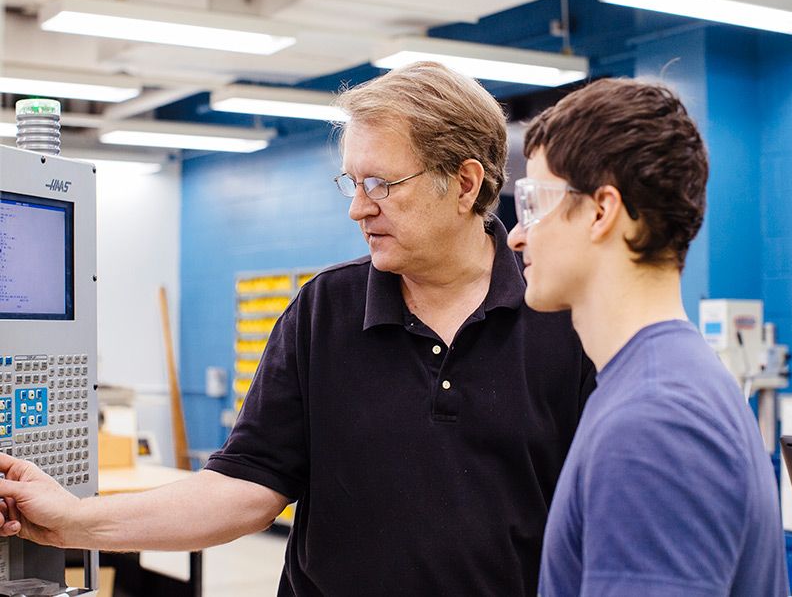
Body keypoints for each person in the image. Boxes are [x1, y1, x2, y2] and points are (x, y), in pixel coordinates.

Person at [0, 62, 595, 595]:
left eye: (381, 185)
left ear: (465, 183)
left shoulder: (563, 317)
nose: (358, 208)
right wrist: (73, 520)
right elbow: (242, 489)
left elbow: (600, 520)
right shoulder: (322, 313)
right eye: (352, 183)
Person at [507, 77, 788, 596]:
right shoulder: (654, 385)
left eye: (533, 202)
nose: (517, 233)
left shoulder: (654, 421)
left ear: (601, 210)